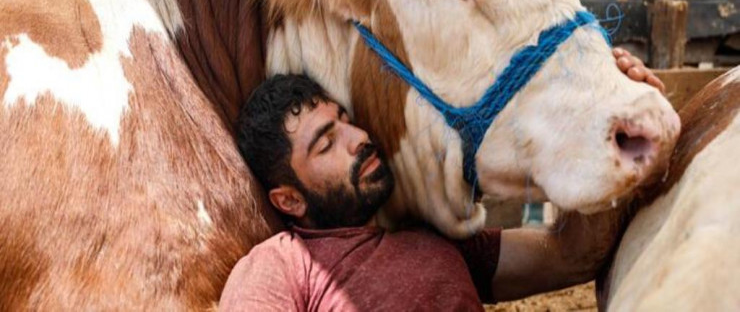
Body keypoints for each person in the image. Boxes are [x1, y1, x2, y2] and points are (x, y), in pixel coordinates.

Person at [219, 49, 664, 311]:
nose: (358, 139)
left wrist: (606, 129)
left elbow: (572, 255)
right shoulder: (280, 266)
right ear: (289, 200)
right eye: (325, 143)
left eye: (346, 121)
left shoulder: (438, 236)